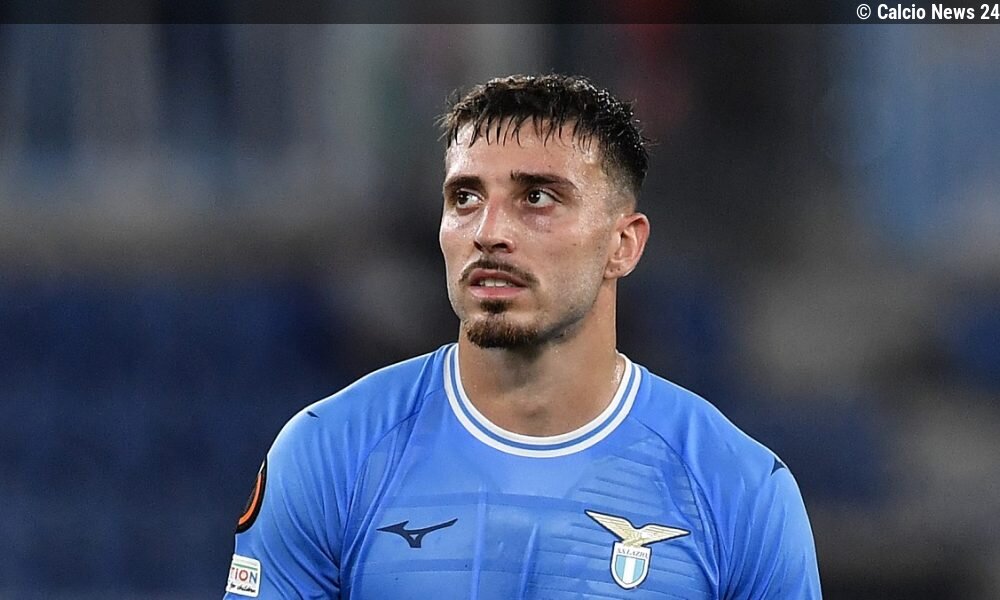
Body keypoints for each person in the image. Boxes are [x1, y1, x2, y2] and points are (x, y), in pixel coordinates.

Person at [224, 74, 821, 599]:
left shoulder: (737, 489)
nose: (488, 232)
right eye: (465, 197)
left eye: (536, 197)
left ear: (623, 244)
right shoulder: (331, 454)